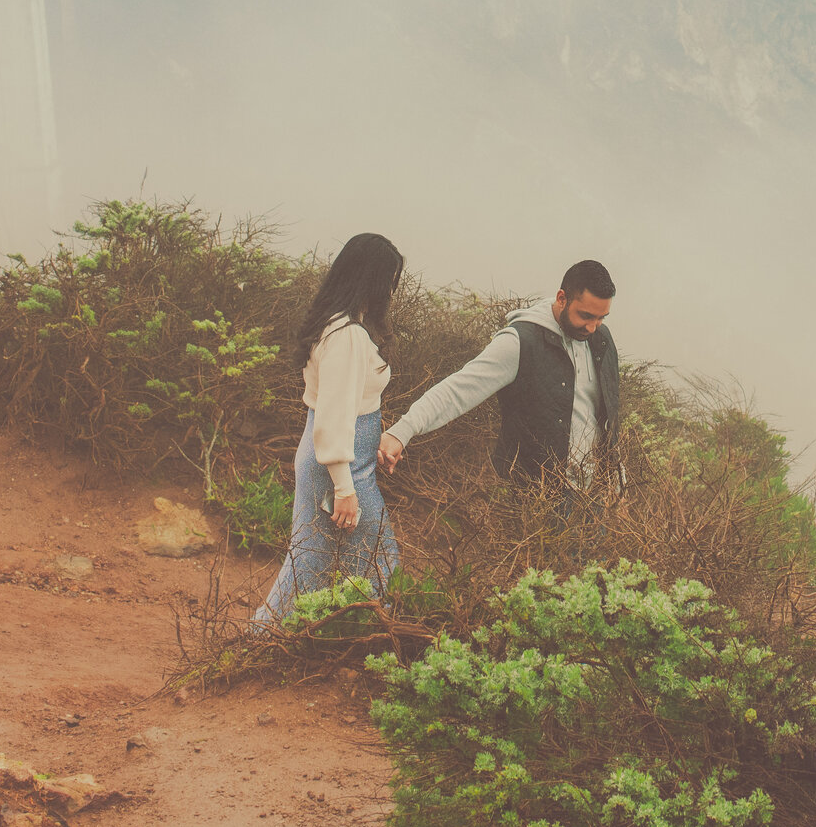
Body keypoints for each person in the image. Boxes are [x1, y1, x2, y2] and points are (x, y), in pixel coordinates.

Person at [253, 232, 404, 626]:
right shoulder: (347, 336)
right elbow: (335, 415)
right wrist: (344, 486)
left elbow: (346, 410)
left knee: (311, 559)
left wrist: (368, 444)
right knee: (376, 558)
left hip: (334, 458)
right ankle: (366, 640)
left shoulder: (335, 324)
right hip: (337, 469)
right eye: (388, 281)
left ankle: (273, 638)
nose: (390, 292)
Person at [377, 259, 621, 485]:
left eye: (601, 318)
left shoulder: (602, 339)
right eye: (586, 316)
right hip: (535, 494)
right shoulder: (520, 342)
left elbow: (606, 415)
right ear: (561, 298)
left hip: (595, 497)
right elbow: (458, 390)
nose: (592, 327)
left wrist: (618, 479)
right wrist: (402, 431)